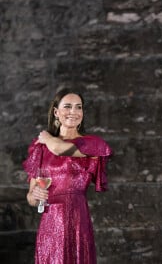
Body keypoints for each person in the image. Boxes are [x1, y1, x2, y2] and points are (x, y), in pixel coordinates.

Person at [23, 88, 112, 264]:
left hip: (77, 219)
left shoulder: (92, 144)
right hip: (50, 222)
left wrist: (47, 137)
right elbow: (31, 197)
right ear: (56, 112)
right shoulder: (39, 148)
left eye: (78, 107)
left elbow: (59, 149)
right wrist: (34, 195)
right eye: (68, 106)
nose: (74, 112)